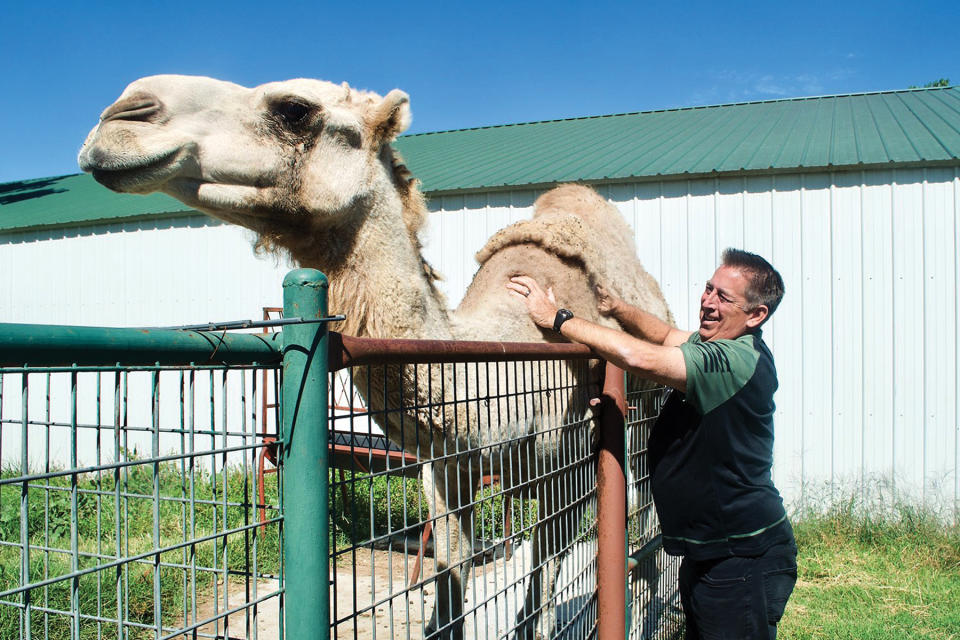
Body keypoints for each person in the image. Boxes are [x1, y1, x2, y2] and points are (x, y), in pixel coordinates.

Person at [507, 248, 796, 639]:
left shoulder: (730, 360)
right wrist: (618, 307)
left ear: (756, 315)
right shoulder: (716, 344)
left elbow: (638, 357)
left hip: (741, 557)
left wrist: (558, 319)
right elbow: (663, 335)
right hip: (715, 550)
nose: (708, 302)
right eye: (708, 289)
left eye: (723, 297)